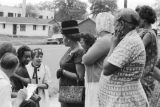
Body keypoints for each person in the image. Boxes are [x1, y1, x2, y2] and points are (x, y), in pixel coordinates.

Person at [98, 8, 148, 107]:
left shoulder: (130, 42)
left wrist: (113, 44)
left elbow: (106, 69)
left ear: (122, 24)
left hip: (124, 100)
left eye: (115, 22)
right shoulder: (128, 38)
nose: (114, 25)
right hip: (121, 99)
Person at [82, 10, 114, 107]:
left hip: (96, 81)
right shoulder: (111, 38)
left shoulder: (104, 40)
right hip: (103, 80)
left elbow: (86, 59)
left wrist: (84, 55)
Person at [56, 20, 85, 107]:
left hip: (74, 91)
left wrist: (63, 72)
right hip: (65, 90)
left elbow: (80, 77)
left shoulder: (79, 52)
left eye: (63, 36)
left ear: (68, 38)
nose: (62, 39)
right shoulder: (70, 49)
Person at [136, 5, 159, 106]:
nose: (137, 21)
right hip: (143, 74)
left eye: (139, 18)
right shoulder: (146, 32)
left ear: (144, 20)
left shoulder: (149, 34)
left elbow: (136, 50)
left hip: (145, 76)